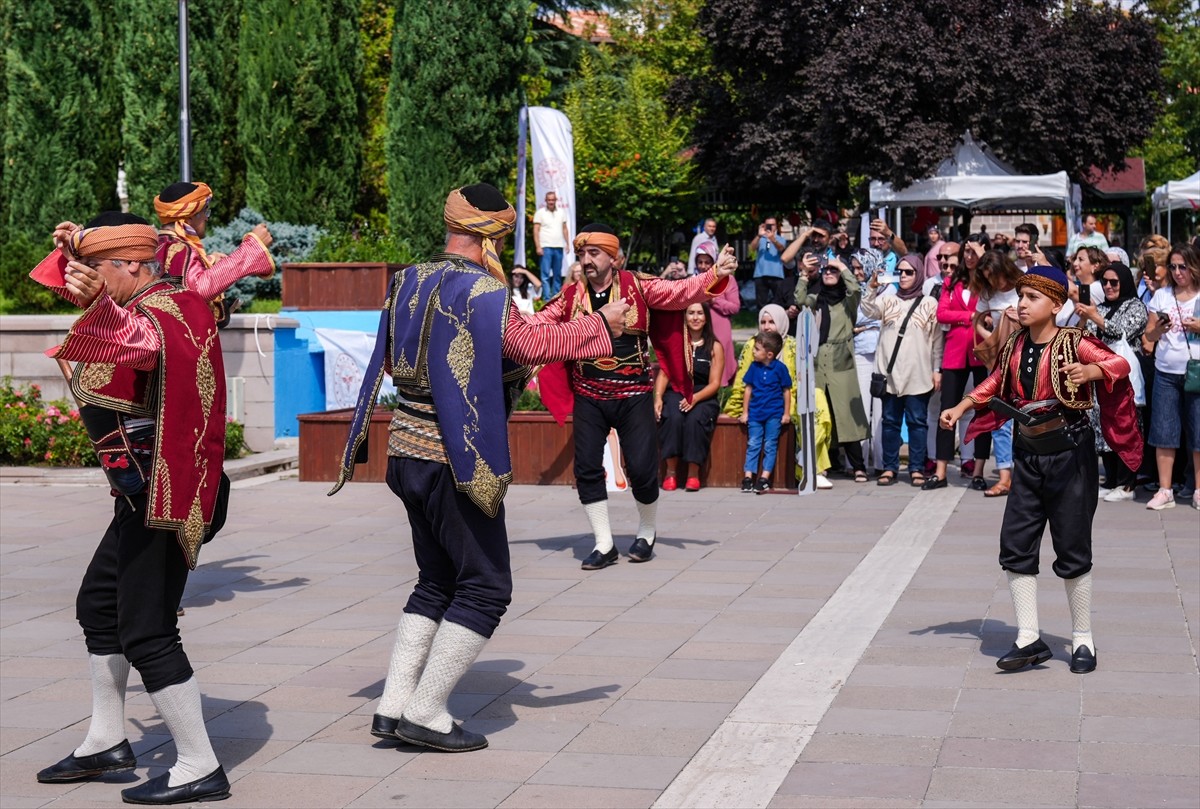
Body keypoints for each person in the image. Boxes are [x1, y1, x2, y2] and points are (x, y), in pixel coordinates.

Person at [330, 184, 627, 752]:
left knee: (435, 580)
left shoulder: (408, 278)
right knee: (487, 588)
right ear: (491, 236)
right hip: (452, 458)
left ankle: (392, 706)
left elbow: (395, 358)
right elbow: (524, 344)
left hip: (405, 450)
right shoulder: (482, 290)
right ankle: (425, 710)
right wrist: (603, 326)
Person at [30, 213, 233, 804]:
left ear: (128, 264)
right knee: (98, 605)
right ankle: (106, 740)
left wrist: (99, 307)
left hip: (165, 495)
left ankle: (199, 764)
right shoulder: (154, 297)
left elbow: (135, 345)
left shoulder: (167, 311)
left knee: (146, 630)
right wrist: (73, 251)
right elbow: (93, 313)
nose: (81, 283)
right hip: (140, 493)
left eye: (93, 271)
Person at [941, 265, 1140, 675]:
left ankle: (1083, 639)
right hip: (1028, 456)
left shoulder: (1075, 341)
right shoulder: (1014, 342)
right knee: (1015, 545)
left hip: (1070, 457)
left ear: (1056, 304)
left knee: (1072, 547)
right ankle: (1028, 638)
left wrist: (1092, 371)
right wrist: (962, 406)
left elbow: (1119, 365)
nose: (1022, 304)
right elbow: (995, 382)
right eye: (1021, 296)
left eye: (1032, 297)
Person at [534, 223, 738, 570]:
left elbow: (680, 292)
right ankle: (604, 544)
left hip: (634, 395)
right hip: (589, 395)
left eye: (594, 253)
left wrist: (715, 273)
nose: (586, 260)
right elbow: (535, 324)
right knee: (585, 469)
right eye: (582, 254)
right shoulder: (570, 297)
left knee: (643, 469)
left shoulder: (638, 286)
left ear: (615, 258)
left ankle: (646, 533)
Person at [724, 303, 833, 488]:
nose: (767, 327)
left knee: (818, 398)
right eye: (763, 322)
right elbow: (744, 382)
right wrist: (736, 409)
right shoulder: (754, 344)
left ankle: (811, 465)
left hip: (791, 399)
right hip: (762, 405)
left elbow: (801, 379)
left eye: (772, 322)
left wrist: (790, 408)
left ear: (782, 322)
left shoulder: (793, 344)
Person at [862, 254, 943, 487]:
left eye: (909, 272)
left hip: (919, 373)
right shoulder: (887, 301)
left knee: (918, 422)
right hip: (890, 375)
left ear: (919, 274)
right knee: (890, 422)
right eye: (900, 272)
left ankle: (917, 467)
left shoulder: (929, 303)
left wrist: (937, 369)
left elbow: (937, 341)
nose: (904, 276)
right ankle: (890, 468)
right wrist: (871, 287)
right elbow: (868, 311)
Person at [152, 180, 275, 326]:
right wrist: (251, 248)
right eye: (205, 211)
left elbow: (180, 282)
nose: (207, 217)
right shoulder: (180, 248)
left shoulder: (160, 244)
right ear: (190, 216)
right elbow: (199, 290)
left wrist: (209, 261)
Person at [1075, 261, 1148, 502]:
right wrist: (1086, 319)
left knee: (1126, 427)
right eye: (1104, 282)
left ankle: (1128, 483)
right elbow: (1084, 338)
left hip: (1124, 377)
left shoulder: (1136, 306)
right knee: (1102, 427)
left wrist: (1096, 316)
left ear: (1124, 282)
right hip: (1099, 376)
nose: (1108, 286)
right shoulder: (1101, 307)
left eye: (1113, 282)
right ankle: (1113, 479)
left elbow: (1123, 331)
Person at [796, 255, 871, 480]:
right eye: (826, 270)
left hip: (841, 362)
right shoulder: (816, 298)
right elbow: (799, 299)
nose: (829, 273)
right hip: (818, 361)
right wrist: (803, 274)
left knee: (846, 415)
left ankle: (858, 466)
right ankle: (825, 464)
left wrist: (842, 266)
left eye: (833, 271)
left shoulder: (847, 302)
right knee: (822, 413)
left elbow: (856, 290)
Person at [1142, 243, 1200, 510]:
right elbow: (1149, 337)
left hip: (1196, 371)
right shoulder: (1162, 296)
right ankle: (1165, 490)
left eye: (1183, 267)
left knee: (1198, 434)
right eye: (1173, 267)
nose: (1178, 272)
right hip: (1166, 371)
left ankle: (1199, 490)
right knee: (1164, 432)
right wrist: (1159, 330)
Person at [929, 244, 991, 490]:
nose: (968, 257)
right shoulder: (951, 282)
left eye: (973, 253)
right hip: (954, 353)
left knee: (984, 410)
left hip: (980, 351)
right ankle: (940, 471)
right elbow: (942, 314)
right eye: (965, 252)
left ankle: (978, 470)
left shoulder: (987, 283)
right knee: (947, 410)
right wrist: (970, 317)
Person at [656, 302, 725, 491]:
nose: (695, 317)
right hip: (677, 391)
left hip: (703, 394)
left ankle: (693, 474)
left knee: (695, 419)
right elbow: (664, 374)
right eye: (691, 313)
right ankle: (670, 473)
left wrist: (695, 398)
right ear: (684, 317)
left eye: (700, 313)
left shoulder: (715, 347)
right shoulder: (676, 343)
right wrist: (658, 398)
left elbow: (715, 384)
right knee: (673, 417)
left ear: (706, 318)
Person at [973, 250, 1024, 497]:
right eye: (987, 277)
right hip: (999, 363)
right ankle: (1005, 476)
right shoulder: (988, 293)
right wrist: (991, 340)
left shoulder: (1023, 286)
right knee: (1000, 419)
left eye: (994, 276)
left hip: (1027, 359)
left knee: (1027, 418)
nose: (993, 282)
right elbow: (978, 319)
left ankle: (1024, 474)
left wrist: (1020, 319)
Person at [738, 330, 792, 492]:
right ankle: (748, 478)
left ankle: (764, 478)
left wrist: (786, 413)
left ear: (769, 354)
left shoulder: (780, 369)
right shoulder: (754, 367)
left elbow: (786, 391)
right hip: (755, 414)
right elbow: (748, 389)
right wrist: (745, 412)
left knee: (770, 445)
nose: (753, 352)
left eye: (756, 349)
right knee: (753, 443)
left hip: (774, 414)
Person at [850, 248, 888, 477]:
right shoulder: (851, 291)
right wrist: (867, 323)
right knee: (861, 407)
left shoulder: (887, 289)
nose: (857, 272)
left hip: (883, 353)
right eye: (853, 268)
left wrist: (864, 324)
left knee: (882, 410)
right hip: (860, 352)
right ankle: (858, 462)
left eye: (859, 267)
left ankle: (883, 462)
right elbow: (854, 319)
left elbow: (882, 316)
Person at [696, 242, 741, 386]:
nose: (703, 266)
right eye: (700, 262)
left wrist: (714, 300)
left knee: (719, 364)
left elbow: (735, 307)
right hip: (697, 330)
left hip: (719, 330)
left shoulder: (727, 280)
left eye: (707, 262)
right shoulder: (693, 280)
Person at [533, 190, 570, 298]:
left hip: (559, 246)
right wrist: (538, 246)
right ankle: (546, 299)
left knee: (557, 274)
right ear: (545, 200)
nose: (551, 202)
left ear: (556, 200)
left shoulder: (561, 212)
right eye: (549, 200)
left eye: (553, 200)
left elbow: (564, 229)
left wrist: (567, 243)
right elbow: (536, 230)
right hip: (546, 247)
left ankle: (556, 298)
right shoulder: (540, 213)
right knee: (545, 275)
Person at [749, 215, 788, 308]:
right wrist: (759, 235)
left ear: (776, 226)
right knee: (761, 303)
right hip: (761, 274)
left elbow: (781, 249)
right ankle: (761, 320)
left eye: (773, 225)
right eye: (768, 225)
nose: (771, 227)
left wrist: (773, 239)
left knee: (778, 302)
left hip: (777, 274)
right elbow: (751, 248)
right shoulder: (760, 239)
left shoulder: (781, 239)